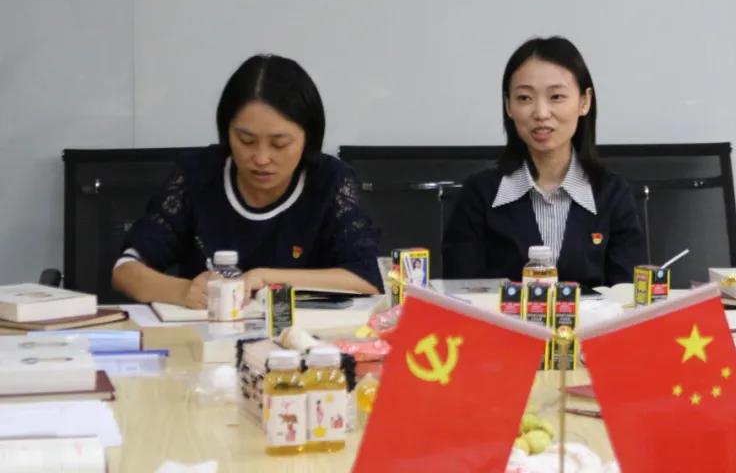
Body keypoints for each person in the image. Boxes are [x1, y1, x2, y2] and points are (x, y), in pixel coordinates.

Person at [112, 54, 381, 307]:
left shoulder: (330, 181)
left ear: (308, 138)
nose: (261, 158)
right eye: (246, 140)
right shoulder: (198, 175)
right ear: (226, 132)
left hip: (304, 336)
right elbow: (125, 270)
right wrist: (182, 291)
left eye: (279, 144)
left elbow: (365, 278)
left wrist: (265, 278)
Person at [442, 36, 645, 288]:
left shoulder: (612, 194)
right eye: (524, 98)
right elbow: (460, 294)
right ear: (508, 105)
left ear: (584, 101)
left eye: (556, 96)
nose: (540, 113)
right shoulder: (479, 195)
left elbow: (628, 296)